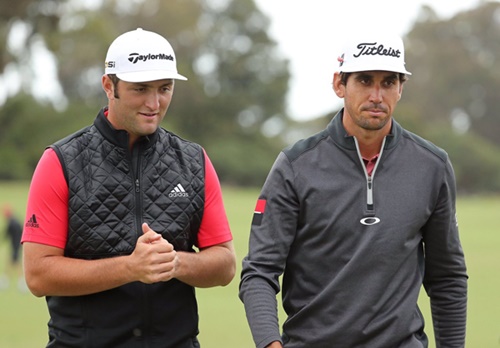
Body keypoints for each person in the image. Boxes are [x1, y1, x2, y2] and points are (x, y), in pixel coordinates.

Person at [239, 33, 468, 348]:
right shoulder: (295, 166)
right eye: (364, 80)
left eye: (388, 82)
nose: (376, 95)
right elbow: (259, 272)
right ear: (339, 84)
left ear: (401, 88)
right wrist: (270, 344)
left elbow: (448, 278)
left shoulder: (432, 166)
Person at [22, 28, 236, 348]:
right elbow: (38, 274)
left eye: (165, 88)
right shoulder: (61, 161)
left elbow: (225, 264)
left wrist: (175, 263)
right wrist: (130, 268)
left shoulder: (194, 161)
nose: (154, 103)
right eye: (140, 89)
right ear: (109, 85)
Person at [1, 205, 24, 290]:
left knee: (15, 263)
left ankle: (20, 281)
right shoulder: (15, 221)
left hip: (15, 246)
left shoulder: (11, 223)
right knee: (12, 262)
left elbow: (5, 234)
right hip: (17, 245)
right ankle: (7, 279)